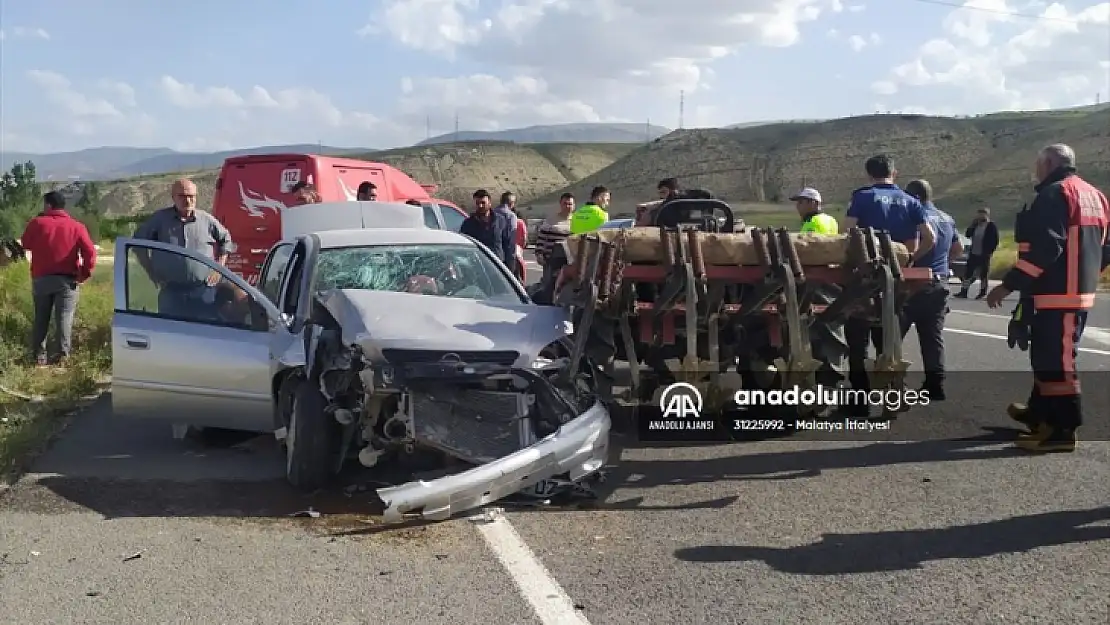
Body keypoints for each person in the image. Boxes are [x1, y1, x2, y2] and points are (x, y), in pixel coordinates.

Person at [986, 143, 1110, 452]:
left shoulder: (1055, 194)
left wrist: (1008, 284)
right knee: (1047, 356)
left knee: (1058, 362)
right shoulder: (1096, 196)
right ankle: (1041, 413)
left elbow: (1046, 247)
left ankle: (1063, 431)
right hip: (1073, 291)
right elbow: (1105, 247)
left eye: (1038, 164)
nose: (1035, 170)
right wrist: (1086, 276)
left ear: (1051, 162)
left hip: (1055, 293)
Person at [841, 154, 936, 417]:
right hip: (896, 279)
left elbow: (847, 232)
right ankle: (892, 398)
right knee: (889, 339)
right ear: (895, 173)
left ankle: (859, 401)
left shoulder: (862, 197)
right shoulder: (911, 201)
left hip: (865, 279)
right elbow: (930, 237)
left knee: (857, 341)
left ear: (869, 174)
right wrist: (912, 257)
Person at [134, 178, 236, 320]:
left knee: (205, 333)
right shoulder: (160, 220)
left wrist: (219, 267)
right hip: (171, 293)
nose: (187, 201)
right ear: (173, 197)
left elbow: (227, 240)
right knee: (172, 333)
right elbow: (138, 243)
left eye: (191, 196)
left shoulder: (207, 220)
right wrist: (151, 271)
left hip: (203, 291)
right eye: (182, 196)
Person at [19, 191, 97, 367]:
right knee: (64, 318)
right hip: (67, 280)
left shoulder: (37, 223)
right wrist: (83, 273)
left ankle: (39, 358)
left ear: (48, 205)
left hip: (41, 279)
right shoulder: (77, 226)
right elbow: (90, 252)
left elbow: (25, 244)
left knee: (41, 318)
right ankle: (61, 358)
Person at [902, 179, 961, 399]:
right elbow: (958, 248)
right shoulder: (947, 218)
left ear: (915, 197)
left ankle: (892, 383)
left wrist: (910, 260)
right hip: (939, 283)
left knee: (891, 335)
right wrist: (943, 264)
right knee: (932, 337)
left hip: (914, 283)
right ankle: (935, 385)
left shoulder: (916, 217)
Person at [460, 189, 516, 273]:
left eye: (483, 203)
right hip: (477, 269)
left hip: (498, 267)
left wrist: (510, 268)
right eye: (478, 203)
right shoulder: (468, 224)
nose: (480, 206)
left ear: (489, 203)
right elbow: (463, 248)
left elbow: (508, 245)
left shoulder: (500, 221)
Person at [533, 193, 575, 303]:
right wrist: (539, 254)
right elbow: (541, 238)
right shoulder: (551, 220)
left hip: (569, 262)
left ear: (574, 205)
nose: (567, 206)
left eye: (570, 204)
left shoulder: (577, 222)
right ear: (560, 204)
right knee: (549, 286)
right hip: (551, 261)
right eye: (565, 203)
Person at [956, 207, 998, 299]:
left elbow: (995, 240)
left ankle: (982, 292)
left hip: (984, 253)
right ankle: (964, 291)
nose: (980, 216)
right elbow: (967, 234)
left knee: (983, 274)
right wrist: (972, 224)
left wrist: (990, 251)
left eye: (982, 214)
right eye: (979, 214)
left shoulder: (991, 226)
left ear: (986, 215)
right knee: (968, 273)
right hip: (974, 253)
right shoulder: (976, 225)